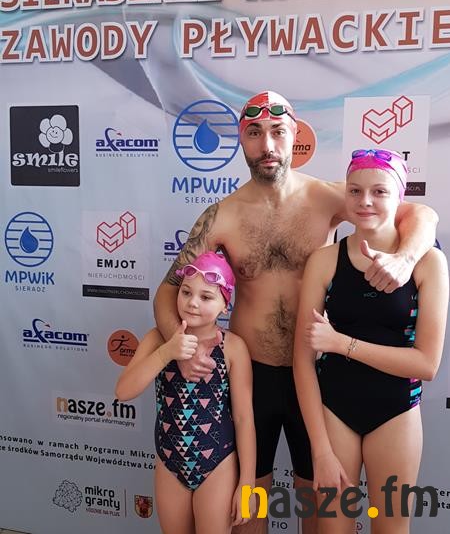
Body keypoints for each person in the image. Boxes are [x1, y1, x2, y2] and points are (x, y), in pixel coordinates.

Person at [154, 91, 438, 534]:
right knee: (249, 506)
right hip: (251, 377)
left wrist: (405, 259)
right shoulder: (221, 216)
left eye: (277, 132)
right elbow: (166, 293)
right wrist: (185, 349)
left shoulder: (330, 197)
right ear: (241, 140)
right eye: (254, 133)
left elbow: (420, 213)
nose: (267, 145)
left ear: (295, 135)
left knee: (318, 504)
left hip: (320, 376)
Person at [293, 149, 448, 534]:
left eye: (379, 191)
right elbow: (302, 361)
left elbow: (426, 364)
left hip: (396, 412)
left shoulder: (428, 263)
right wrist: (321, 451)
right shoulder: (324, 260)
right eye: (355, 190)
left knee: (391, 528)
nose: (365, 201)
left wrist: (342, 343)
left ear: (400, 198)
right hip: (334, 412)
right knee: (332, 528)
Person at [116, 252, 256, 534]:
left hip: (218, 464)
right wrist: (167, 352)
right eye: (186, 292)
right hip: (170, 462)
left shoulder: (233, 347)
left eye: (206, 297)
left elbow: (244, 419)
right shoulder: (158, 339)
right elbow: (123, 392)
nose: (192, 302)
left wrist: (248, 485)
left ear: (224, 305)